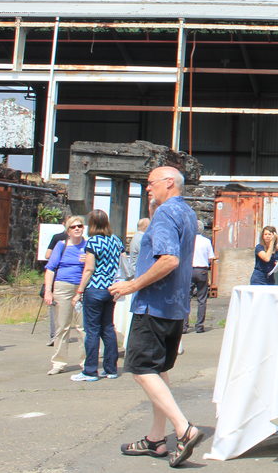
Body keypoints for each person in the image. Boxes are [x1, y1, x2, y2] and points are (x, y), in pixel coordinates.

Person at [108, 166, 204, 466]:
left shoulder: (164, 215)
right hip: (175, 306)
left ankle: (183, 428)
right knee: (159, 371)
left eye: (150, 184)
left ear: (169, 183)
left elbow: (169, 259)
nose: (147, 188)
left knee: (140, 368)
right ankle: (156, 438)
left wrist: (132, 285)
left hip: (153, 304)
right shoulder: (187, 212)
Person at [70, 210, 125, 382]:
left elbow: (89, 269)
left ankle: (90, 370)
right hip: (110, 288)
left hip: (95, 288)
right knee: (108, 328)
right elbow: (122, 263)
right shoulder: (116, 240)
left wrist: (79, 291)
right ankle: (111, 369)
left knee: (92, 330)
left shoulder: (93, 242)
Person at [44, 215, 88, 375]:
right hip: (63, 286)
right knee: (62, 326)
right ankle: (59, 362)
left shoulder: (88, 246)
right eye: (73, 227)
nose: (77, 229)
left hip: (82, 287)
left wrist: (89, 260)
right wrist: (49, 291)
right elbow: (50, 268)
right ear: (68, 230)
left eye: (80, 226)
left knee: (83, 327)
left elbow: (96, 267)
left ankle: (86, 361)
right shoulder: (61, 245)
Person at [185, 221, 215, 333]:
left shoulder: (188, 241)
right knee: (202, 299)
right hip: (202, 270)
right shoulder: (206, 241)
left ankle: (184, 325)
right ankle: (199, 326)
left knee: (186, 298)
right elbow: (210, 258)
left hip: (189, 269)